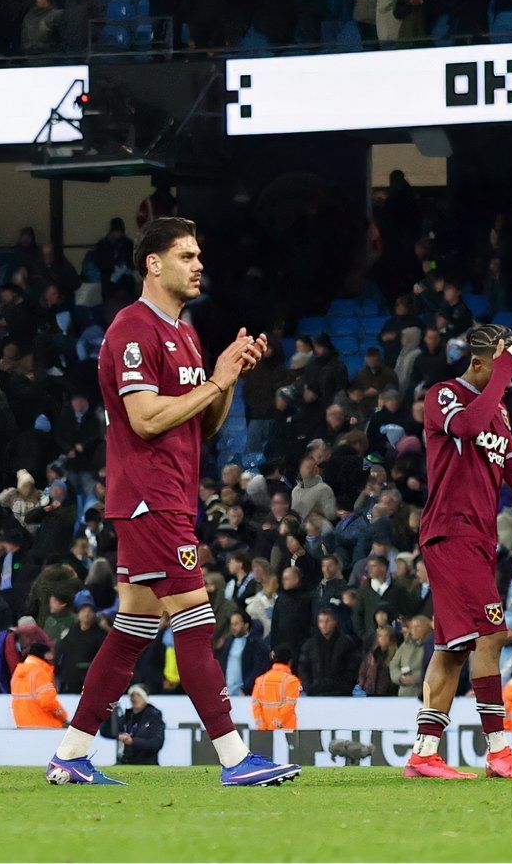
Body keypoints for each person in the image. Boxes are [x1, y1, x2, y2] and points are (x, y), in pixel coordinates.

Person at [43, 219, 298, 788]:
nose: (199, 265)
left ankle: (71, 753)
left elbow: (201, 424)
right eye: (186, 255)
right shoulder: (133, 329)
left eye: (199, 255)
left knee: (133, 627)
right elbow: (145, 418)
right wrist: (215, 381)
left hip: (171, 495)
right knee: (197, 619)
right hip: (148, 496)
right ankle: (234, 757)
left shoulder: (185, 332)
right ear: (153, 264)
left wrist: (228, 376)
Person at [406, 326, 512, 779]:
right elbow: (467, 426)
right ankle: (498, 750)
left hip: (479, 539)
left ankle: (423, 754)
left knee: (451, 649)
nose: (509, 380)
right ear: (478, 364)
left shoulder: (499, 412)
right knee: (492, 635)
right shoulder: (443, 395)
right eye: (502, 369)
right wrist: (503, 373)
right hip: (450, 533)